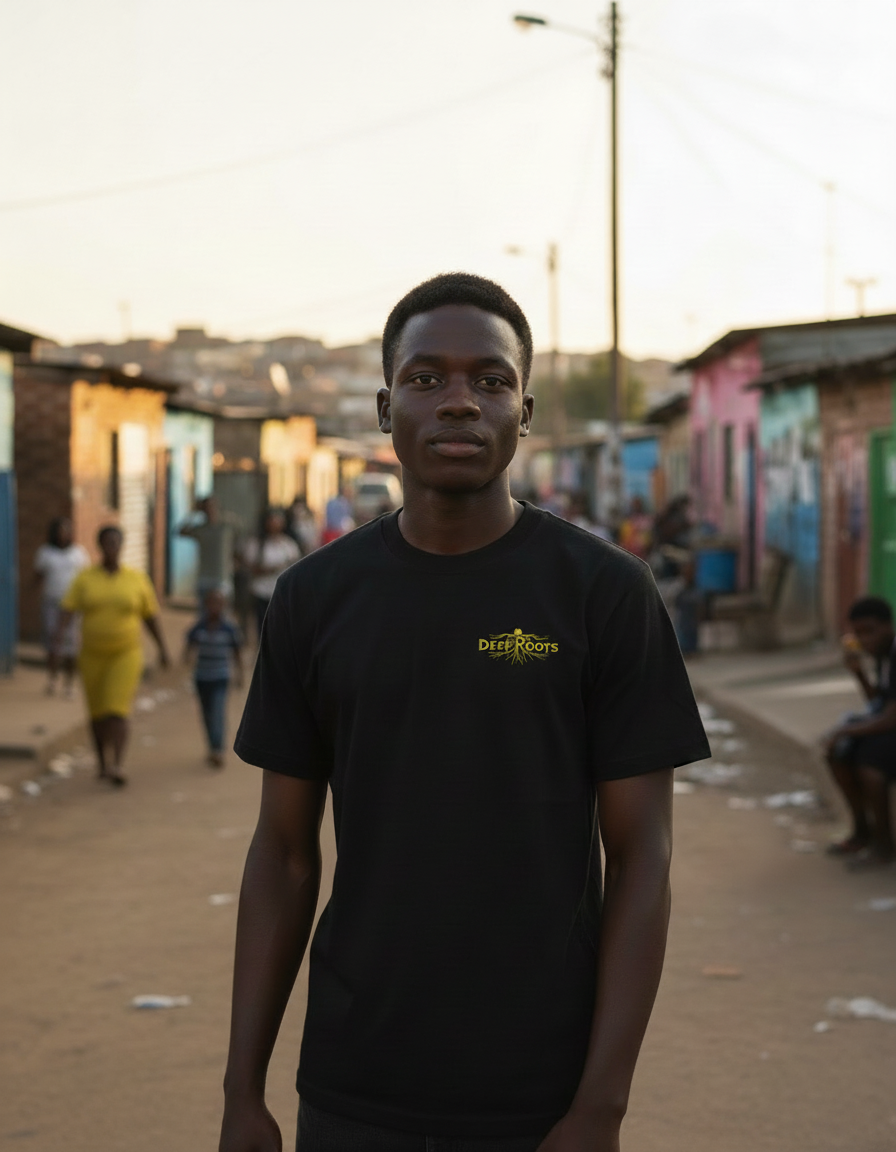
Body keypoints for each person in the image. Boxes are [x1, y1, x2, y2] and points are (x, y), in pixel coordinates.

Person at [219, 273, 710, 1152]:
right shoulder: (313, 599)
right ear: (383, 407)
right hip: (353, 1086)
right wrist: (242, 1093)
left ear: (525, 411)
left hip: (540, 1094)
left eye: (490, 381)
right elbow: (286, 856)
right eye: (425, 379)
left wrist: (600, 1106)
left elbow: (643, 858)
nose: (458, 403)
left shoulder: (603, 594)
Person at [57, 525, 170, 786]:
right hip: (92, 655)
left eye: (116, 543)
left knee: (116, 710)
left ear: (121, 546)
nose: (112, 548)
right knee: (97, 714)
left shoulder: (136, 579)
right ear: (100, 546)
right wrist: (58, 642)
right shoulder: (85, 579)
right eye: (107, 543)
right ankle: (102, 763)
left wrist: (162, 648)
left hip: (125, 654)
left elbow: (150, 616)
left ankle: (117, 764)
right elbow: (67, 611)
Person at [824, 596, 896, 868]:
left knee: (871, 768)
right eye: (859, 634)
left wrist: (846, 730)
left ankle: (884, 844)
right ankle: (861, 831)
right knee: (838, 753)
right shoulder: (882, 656)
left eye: (870, 631)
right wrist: (859, 674)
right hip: (890, 725)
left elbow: (891, 718)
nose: (865, 640)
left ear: (887, 626)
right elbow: (880, 703)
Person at [185, 587, 244, 768]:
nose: (214, 607)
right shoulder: (199, 627)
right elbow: (189, 647)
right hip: (202, 678)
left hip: (220, 677)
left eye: (218, 603)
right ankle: (212, 745)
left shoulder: (229, 629)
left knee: (217, 712)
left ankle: (217, 749)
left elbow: (237, 653)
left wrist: (239, 674)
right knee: (207, 714)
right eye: (210, 603)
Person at [34, 516, 89, 696]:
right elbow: (38, 577)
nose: (62, 535)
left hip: (72, 606)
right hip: (51, 603)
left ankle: (69, 684)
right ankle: (52, 680)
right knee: (53, 643)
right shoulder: (45, 553)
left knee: (71, 645)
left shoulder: (78, 553)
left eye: (66, 531)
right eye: (59, 531)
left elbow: (85, 579)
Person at [242, 509, 300, 640]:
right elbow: (250, 568)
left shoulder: (288, 545)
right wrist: (272, 569)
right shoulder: (257, 544)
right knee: (262, 630)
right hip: (261, 592)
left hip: (281, 594)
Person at [179, 495, 240, 601]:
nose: (211, 510)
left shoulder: (226, 527)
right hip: (205, 578)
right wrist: (193, 513)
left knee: (223, 615)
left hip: (223, 578)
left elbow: (241, 532)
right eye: (207, 507)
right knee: (205, 615)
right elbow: (181, 531)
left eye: (213, 507)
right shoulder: (200, 529)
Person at [617, 495, 652, 560]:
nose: (636, 507)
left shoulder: (646, 520)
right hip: (629, 554)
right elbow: (623, 539)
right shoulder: (627, 521)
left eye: (638, 504)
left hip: (643, 555)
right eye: (634, 505)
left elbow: (648, 540)